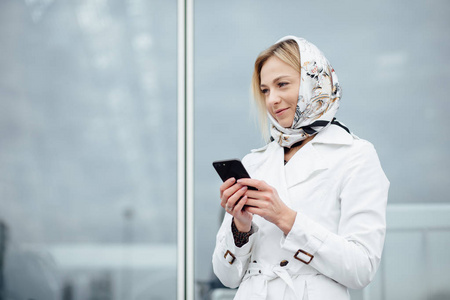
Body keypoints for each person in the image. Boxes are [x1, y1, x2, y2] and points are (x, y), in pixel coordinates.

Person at [212, 35, 389, 300]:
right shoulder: (254, 162)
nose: (272, 99)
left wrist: (286, 218)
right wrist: (241, 225)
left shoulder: (355, 155)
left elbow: (362, 269)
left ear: (313, 82)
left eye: (282, 84)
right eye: (265, 90)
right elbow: (226, 277)